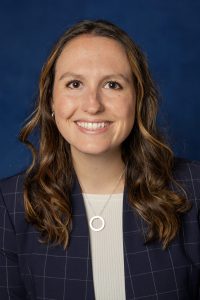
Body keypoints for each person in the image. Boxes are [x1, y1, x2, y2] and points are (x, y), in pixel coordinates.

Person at [0, 19, 199, 300]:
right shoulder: (9, 206)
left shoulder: (195, 189)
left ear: (138, 101)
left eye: (113, 85)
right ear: (51, 102)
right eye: (75, 83)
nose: (93, 105)